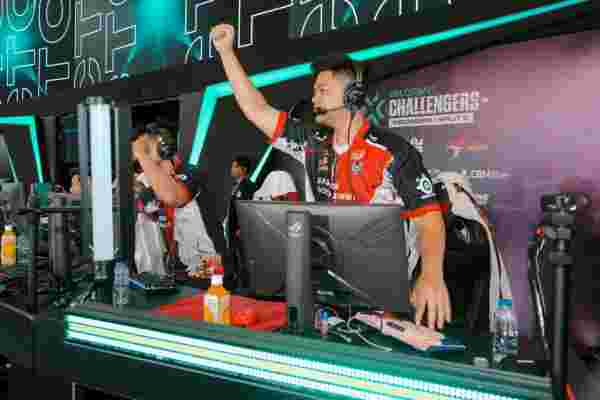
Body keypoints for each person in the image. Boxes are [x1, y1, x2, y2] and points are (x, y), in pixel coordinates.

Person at [211, 23, 451, 330]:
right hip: (325, 290)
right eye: (314, 91)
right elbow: (256, 108)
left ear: (353, 96)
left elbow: (429, 221)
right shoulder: (311, 141)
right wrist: (226, 52)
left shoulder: (394, 151)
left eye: (323, 91)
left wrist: (431, 275)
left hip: (384, 302)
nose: (314, 99)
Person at [130, 125, 223, 276]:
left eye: (146, 146)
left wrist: (142, 154)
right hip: (179, 269)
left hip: (209, 267)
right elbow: (144, 204)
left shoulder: (190, 173)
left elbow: (173, 197)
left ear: (163, 146)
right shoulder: (157, 183)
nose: (141, 149)